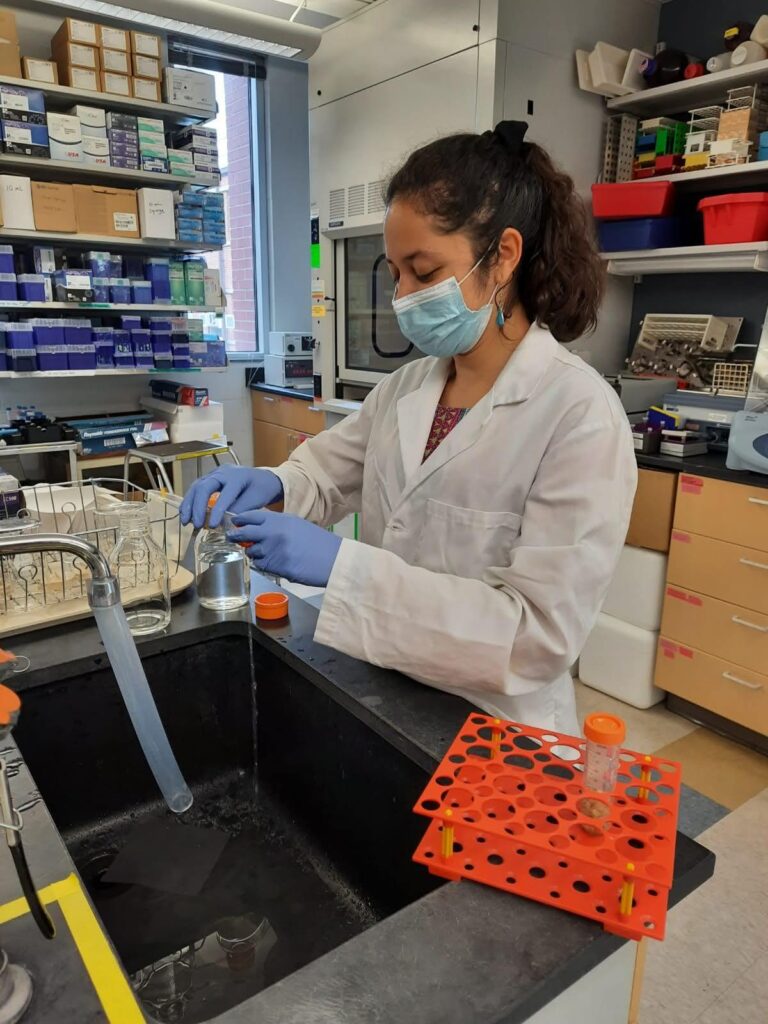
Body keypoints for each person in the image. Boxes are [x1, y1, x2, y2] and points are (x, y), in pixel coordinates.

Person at [180, 120, 637, 733]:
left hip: (496, 725)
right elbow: (326, 471)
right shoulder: (407, 387)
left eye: (422, 272)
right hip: (388, 688)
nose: (402, 296)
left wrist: (345, 568)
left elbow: (537, 636)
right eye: (395, 272)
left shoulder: (578, 414)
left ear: (502, 256)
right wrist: (274, 483)